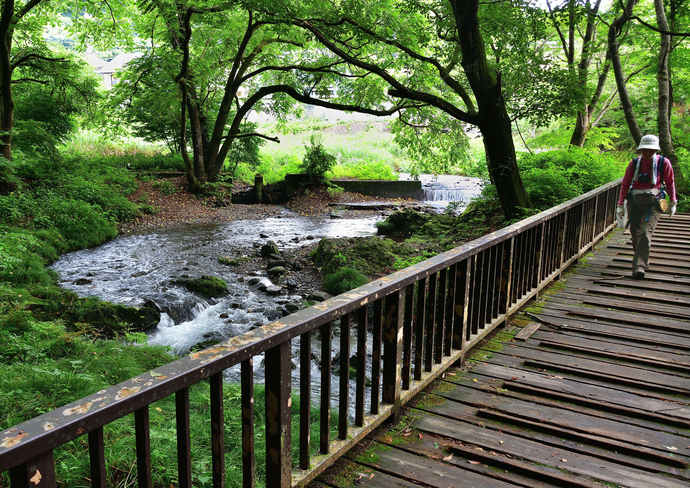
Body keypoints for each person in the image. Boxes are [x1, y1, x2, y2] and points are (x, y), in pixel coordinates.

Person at [616, 134, 677, 280]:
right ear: (641, 150)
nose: (647, 153)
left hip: (655, 202)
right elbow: (625, 184)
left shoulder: (664, 162)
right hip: (635, 201)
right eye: (645, 150)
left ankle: (639, 266)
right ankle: (640, 260)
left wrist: (673, 202)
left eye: (650, 150)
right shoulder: (634, 163)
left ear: (655, 150)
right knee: (635, 232)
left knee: (645, 232)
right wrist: (620, 204)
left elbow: (670, 182)